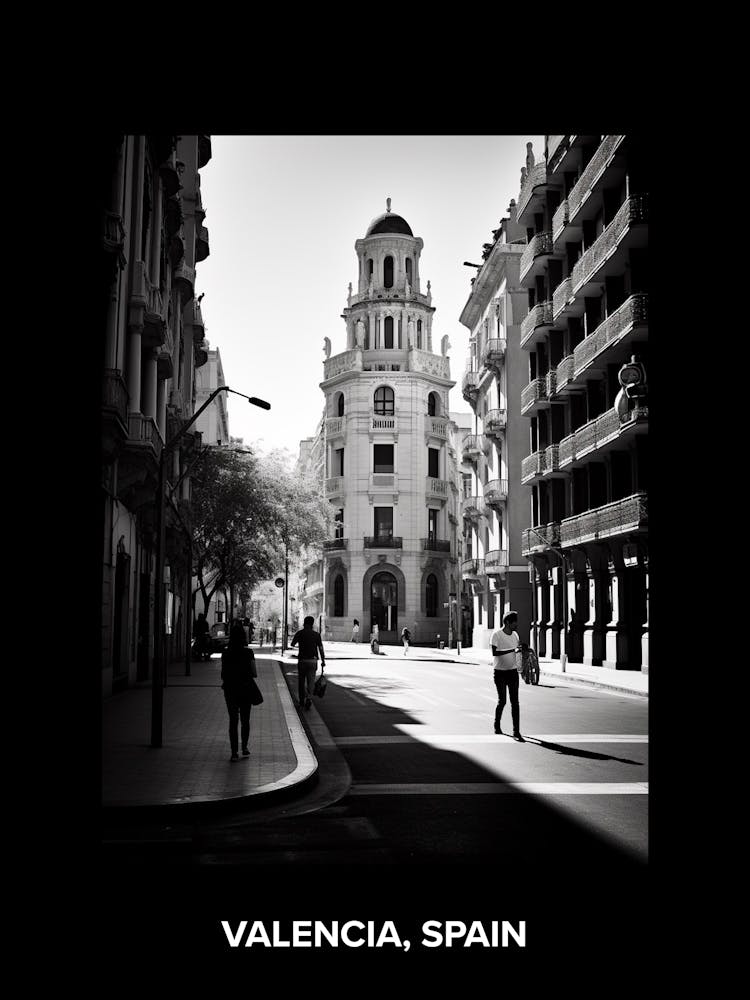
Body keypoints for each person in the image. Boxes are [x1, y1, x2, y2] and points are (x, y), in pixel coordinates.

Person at [220, 623, 258, 762]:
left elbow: (223, 674)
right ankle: (245, 748)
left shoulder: (225, 653)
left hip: (230, 689)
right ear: (243, 636)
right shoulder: (248, 653)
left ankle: (234, 752)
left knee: (233, 720)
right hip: (245, 688)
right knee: (245, 720)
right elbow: (254, 673)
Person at [490, 610, 524, 741]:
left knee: (515, 702)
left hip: (513, 672)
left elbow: (517, 652)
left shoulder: (515, 635)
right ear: (508, 622)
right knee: (502, 701)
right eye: (514, 622)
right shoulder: (497, 635)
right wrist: (512, 650)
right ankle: (496, 725)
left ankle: (516, 731)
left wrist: (521, 653)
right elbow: (495, 652)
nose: (516, 625)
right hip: (500, 673)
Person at [291, 615, 326, 710]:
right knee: (311, 681)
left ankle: (301, 700)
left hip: (302, 660)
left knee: (301, 681)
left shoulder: (299, 633)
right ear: (312, 624)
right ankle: (309, 698)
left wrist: (301, 646)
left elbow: (292, 644)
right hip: (313, 661)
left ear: (304, 623)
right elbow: (321, 649)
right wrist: (323, 660)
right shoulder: (316, 635)